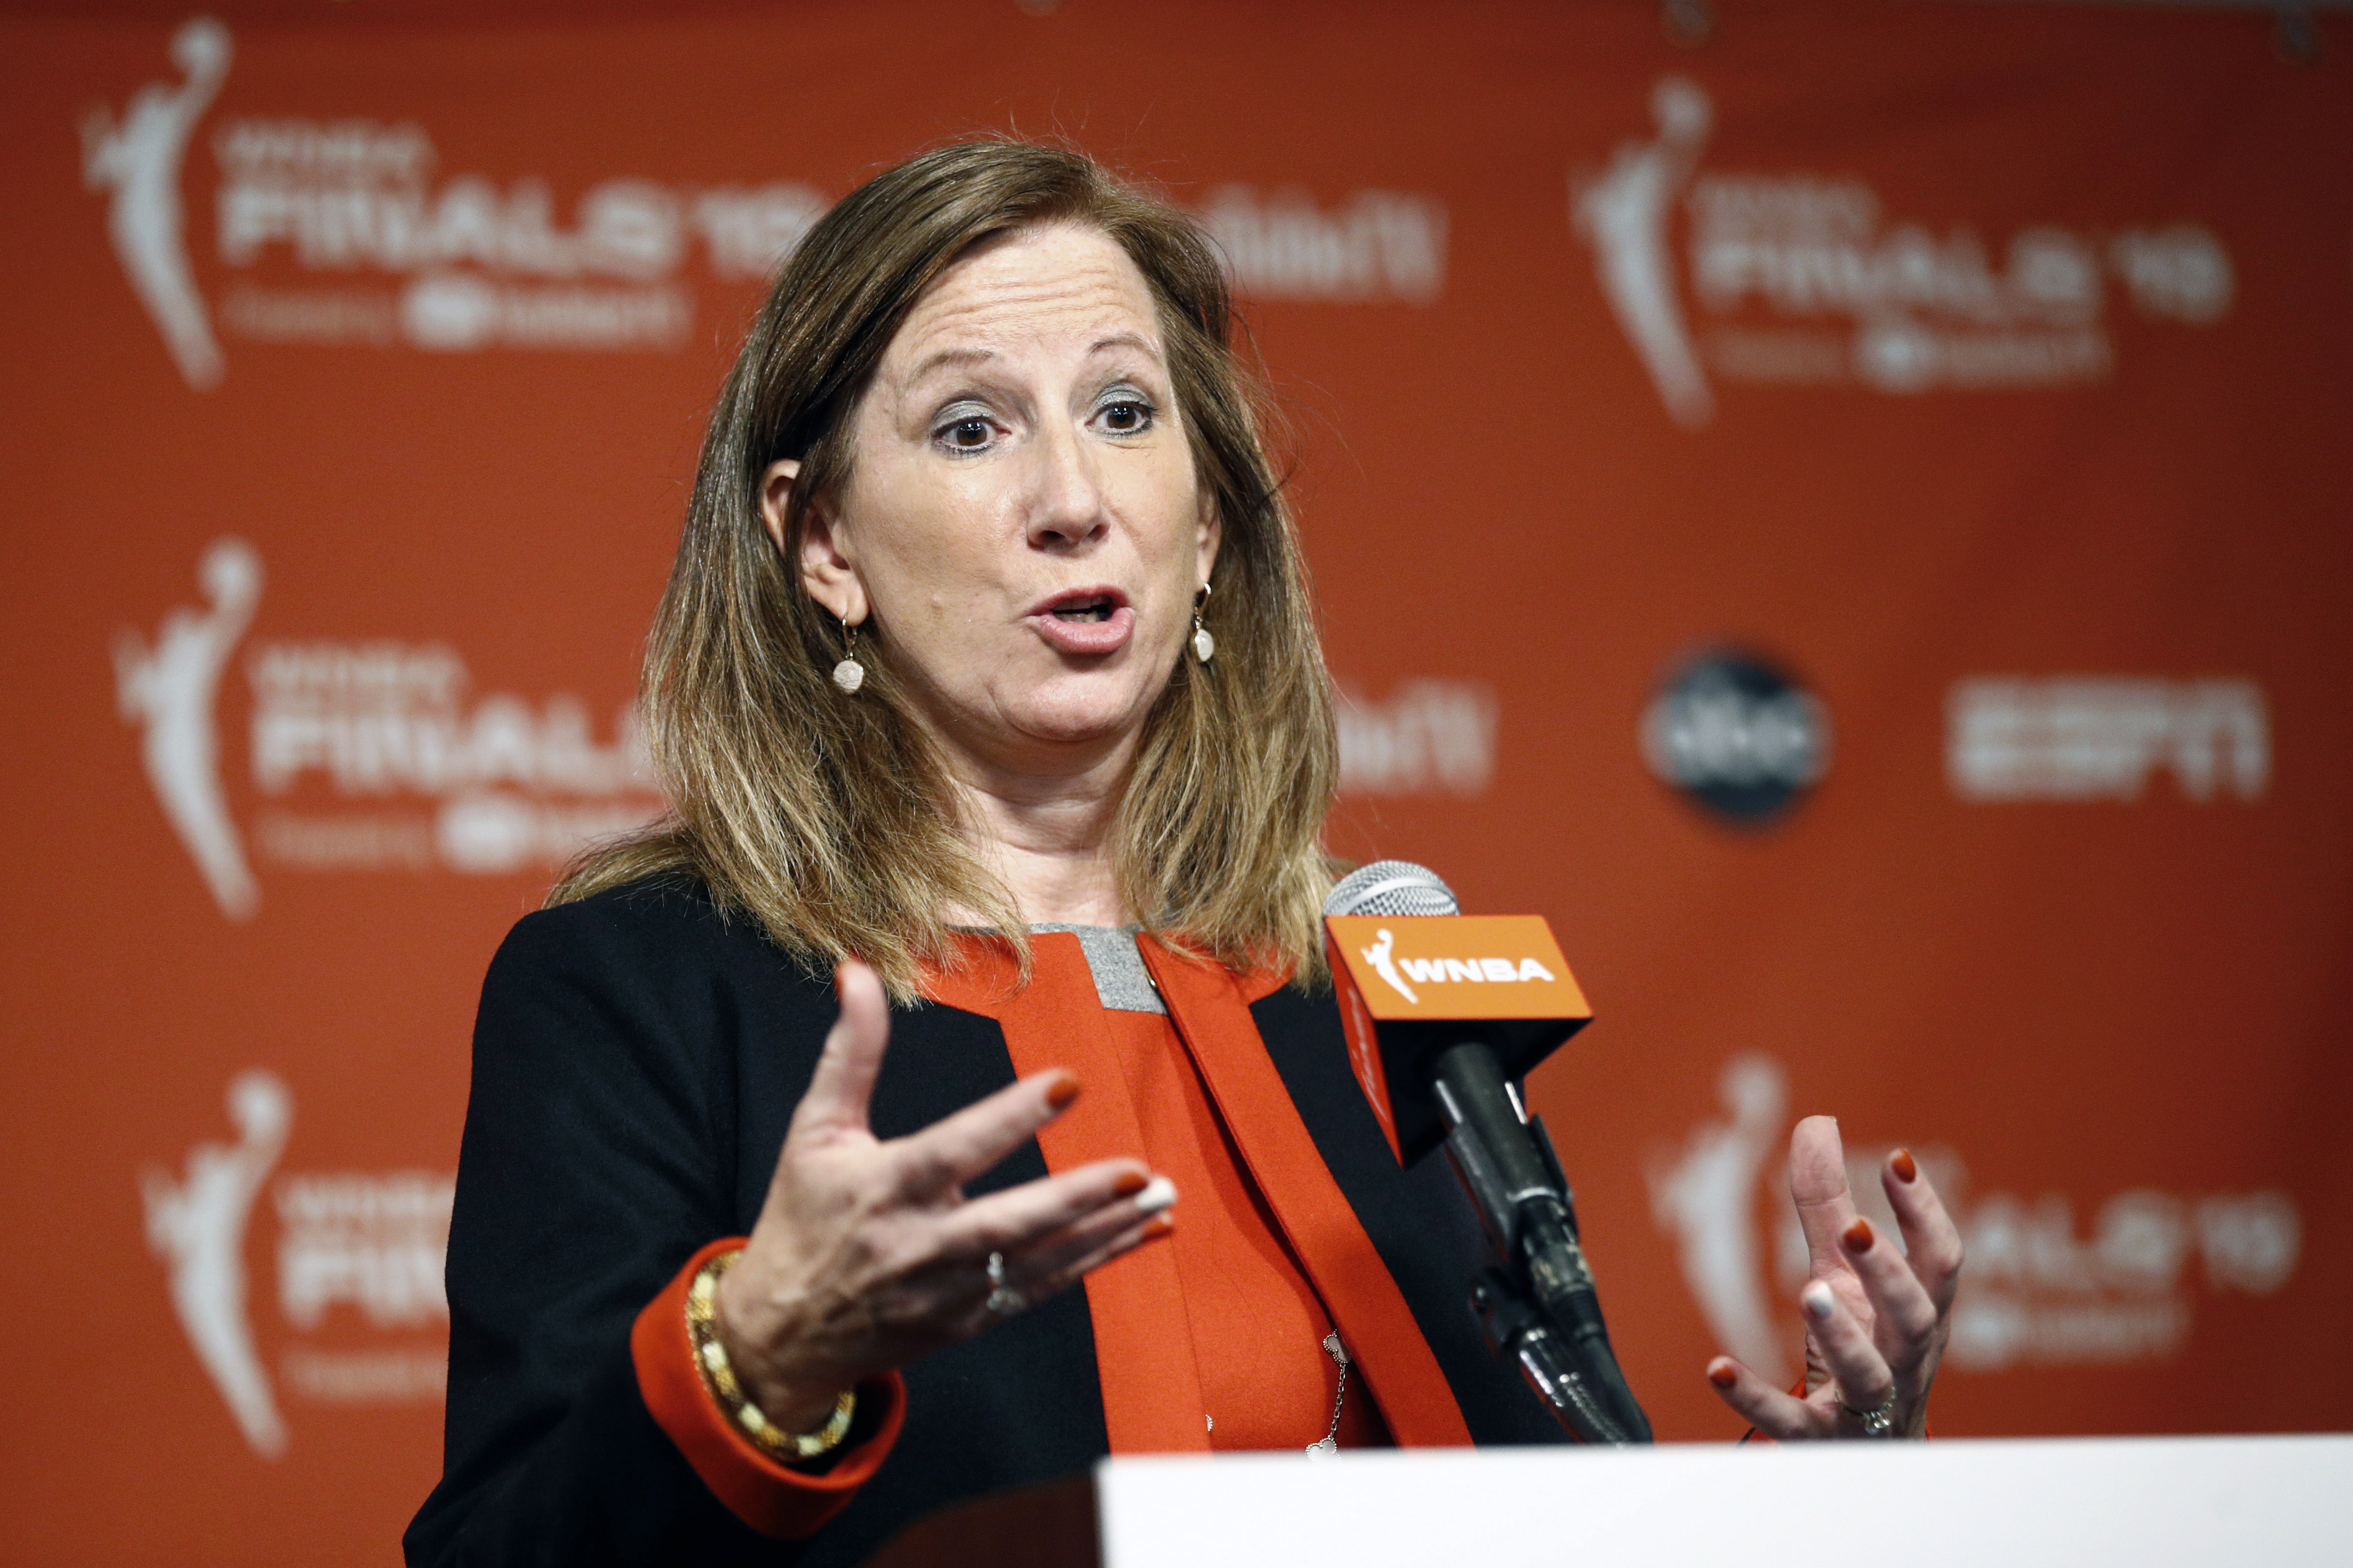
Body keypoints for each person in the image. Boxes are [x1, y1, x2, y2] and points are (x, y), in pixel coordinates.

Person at [405, 140, 1963, 1568]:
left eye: (1125, 412)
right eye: (970, 428)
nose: (1074, 501)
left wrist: (1811, 1503)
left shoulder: (1367, 991)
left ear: (1207, 525)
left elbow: (1540, 1501)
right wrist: (758, 1367)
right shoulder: (648, 990)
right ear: (823, 545)